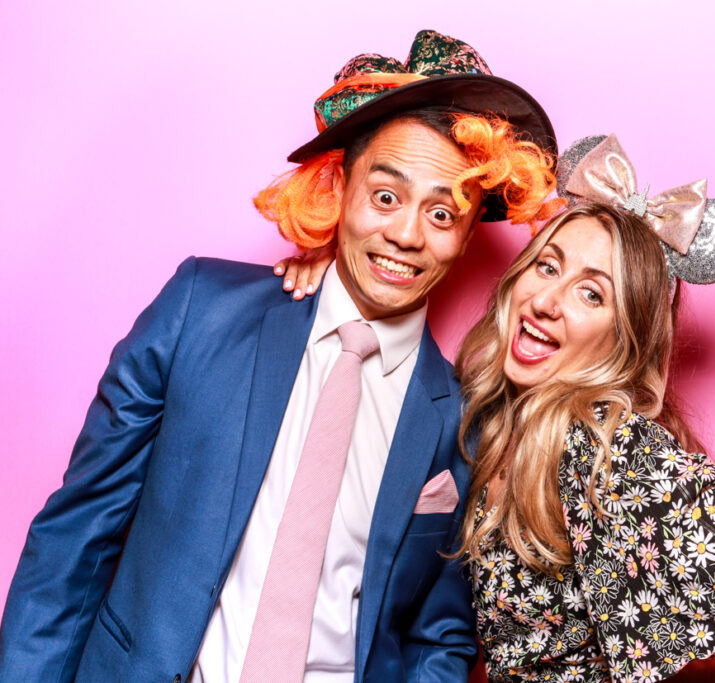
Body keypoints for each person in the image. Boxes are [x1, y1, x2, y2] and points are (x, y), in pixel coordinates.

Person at [0, 30, 561, 682]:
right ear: (340, 187)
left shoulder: (462, 421)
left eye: (443, 213)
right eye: (386, 196)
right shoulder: (200, 311)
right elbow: (75, 539)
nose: (407, 234)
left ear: (466, 234)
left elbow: (440, 639)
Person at [276, 134, 715, 682]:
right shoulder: (496, 418)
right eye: (547, 267)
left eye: (592, 293)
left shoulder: (602, 443)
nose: (549, 301)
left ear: (625, 339)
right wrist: (337, 280)